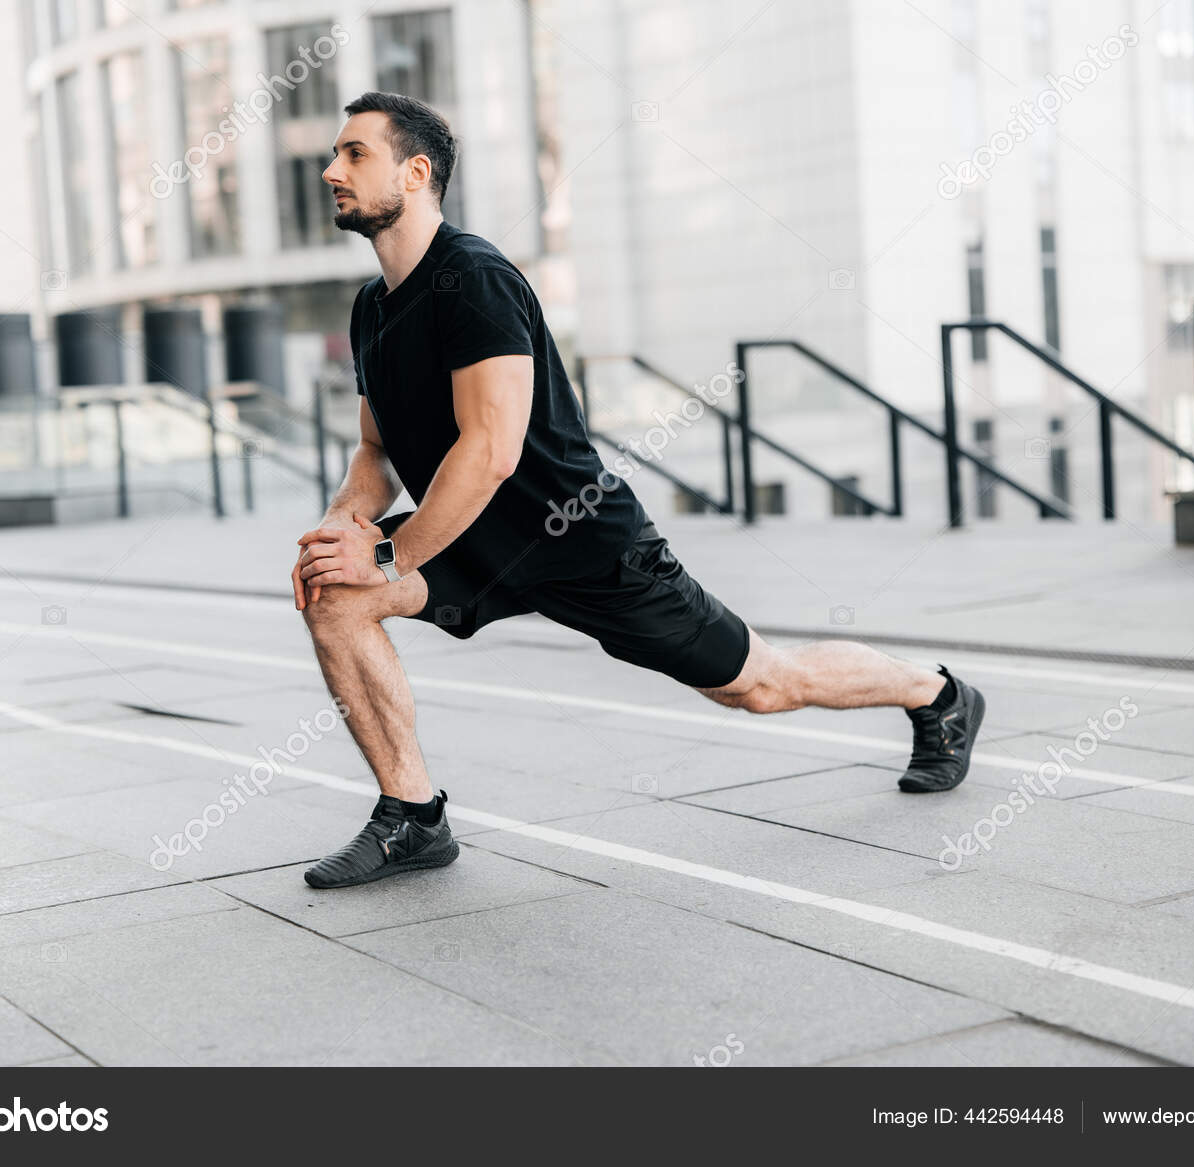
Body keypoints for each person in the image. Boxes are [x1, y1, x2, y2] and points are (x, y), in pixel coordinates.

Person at [292, 92, 985, 889]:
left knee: (762, 685)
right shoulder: (371, 310)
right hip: (472, 541)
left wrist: (387, 555)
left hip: (577, 537)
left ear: (415, 173)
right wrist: (336, 532)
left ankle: (936, 694)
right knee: (335, 594)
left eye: (353, 154)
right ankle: (413, 817)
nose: (329, 170)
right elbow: (376, 451)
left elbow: (489, 450)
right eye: (335, 155)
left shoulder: (474, 279)